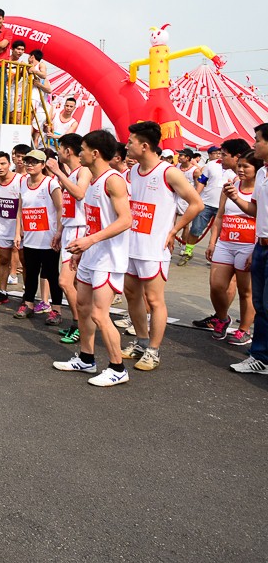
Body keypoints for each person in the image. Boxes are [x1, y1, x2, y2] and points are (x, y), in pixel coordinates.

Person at [120, 121, 203, 371]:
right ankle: (141, 342)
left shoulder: (169, 172)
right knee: (132, 295)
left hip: (154, 248)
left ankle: (154, 351)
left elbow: (196, 203)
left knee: (154, 299)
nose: (127, 145)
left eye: (131, 141)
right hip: (131, 245)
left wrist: (174, 231)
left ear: (145, 146)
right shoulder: (132, 172)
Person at [54, 129, 133, 387]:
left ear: (95, 153)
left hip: (109, 258)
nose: (81, 153)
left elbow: (126, 220)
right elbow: (93, 221)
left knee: (100, 314)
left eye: (84, 149)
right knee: (85, 309)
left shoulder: (114, 180)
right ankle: (87, 359)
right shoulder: (93, 181)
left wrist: (90, 241)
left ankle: (118, 367)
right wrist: (82, 250)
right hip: (91, 255)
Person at [205, 152, 261, 345]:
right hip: (226, 242)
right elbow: (219, 216)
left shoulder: (260, 190)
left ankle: (244, 330)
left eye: (246, 166)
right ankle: (222, 319)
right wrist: (212, 242)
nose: (241, 169)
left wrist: (255, 250)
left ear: (257, 169)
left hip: (248, 245)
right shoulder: (229, 187)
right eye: (240, 165)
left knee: (246, 291)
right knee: (216, 285)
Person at [228, 123, 268, 374]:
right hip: (261, 245)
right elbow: (255, 210)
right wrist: (235, 199)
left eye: (258, 140)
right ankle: (260, 355)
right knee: (261, 305)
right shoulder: (262, 173)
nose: (254, 145)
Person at [45, 133, 92, 343]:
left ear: (68, 151)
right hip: (69, 229)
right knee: (69, 282)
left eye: (60, 148)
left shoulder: (83, 171)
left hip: (80, 230)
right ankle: (78, 323)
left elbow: (80, 194)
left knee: (65, 281)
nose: (58, 153)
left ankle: (81, 324)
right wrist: (59, 231)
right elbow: (67, 207)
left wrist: (58, 173)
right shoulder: (71, 173)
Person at [12, 150, 64, 324]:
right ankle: (28, 304)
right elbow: (20, 209)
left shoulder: (50, 184)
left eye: (34, 162)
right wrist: (18, 232)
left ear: (43, 165)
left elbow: (60, 209)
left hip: (48, 239)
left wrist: (58, 232)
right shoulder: (24, 183)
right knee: (31, 273)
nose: (29, 165)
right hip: (30, 237)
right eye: (27, 161)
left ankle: (56, 309)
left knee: (51, 274)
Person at [0, 151, 19, 303]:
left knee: (24, 263)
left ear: (9, 164)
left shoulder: (20, 180)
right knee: (3, 260)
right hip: (2, 228)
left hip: (19, 229)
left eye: (3, 164)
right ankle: (3, 291)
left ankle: (28, 296)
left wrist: (21, 230)